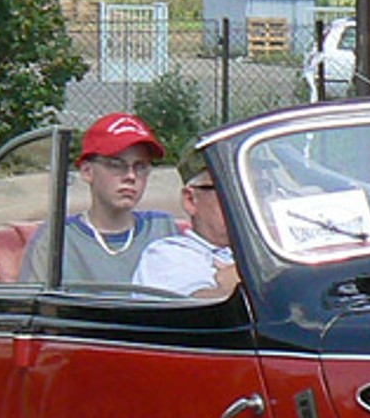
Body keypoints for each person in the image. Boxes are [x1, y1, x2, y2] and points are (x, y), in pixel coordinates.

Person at [20, 113, 178, 284]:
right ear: (87, 171)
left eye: (141, 167)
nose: (131, 176)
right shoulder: (57, 238)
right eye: (117, 165)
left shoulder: (163, 229)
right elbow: (32, 305)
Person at [134, 148, 240, 297]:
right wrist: (239, 284)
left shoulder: (276, 248)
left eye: (261, 188)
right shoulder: (168, 255)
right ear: (190, 200)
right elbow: (194, 310)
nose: (247, 199)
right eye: (230, 189)